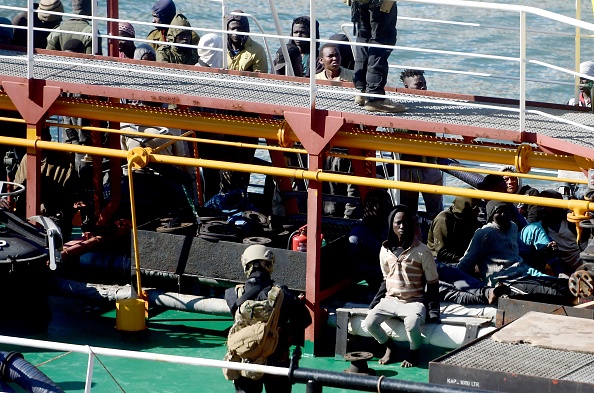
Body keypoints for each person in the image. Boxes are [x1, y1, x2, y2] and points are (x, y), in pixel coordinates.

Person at [224, 245, 311, 392]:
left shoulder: (232, 294)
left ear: (246, 266)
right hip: (276, 363)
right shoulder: (283, 296)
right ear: (269, 265)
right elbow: (305, 319)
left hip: (245, 361)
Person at [363, 205, 440, 367]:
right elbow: (385, 279)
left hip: (413, 301)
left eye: (406, 223)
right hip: (390, 300)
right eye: (398, 223)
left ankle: (414, 351)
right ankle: (390, 347)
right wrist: (376, 302)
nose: (402, 226)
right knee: (369, 323)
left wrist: (433, 311)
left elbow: (432, 283)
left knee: (412, 323)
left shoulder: (422, 251)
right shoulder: (384, 250)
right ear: (391, 225)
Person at [456, 200, 574, 304]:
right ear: (491, 215)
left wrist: (543, 252)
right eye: (499, 211)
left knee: (564, 285)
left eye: (507, 210)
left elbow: (516, 254)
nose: (504, 214)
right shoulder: (484, 234)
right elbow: (465, 264)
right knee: (554, 293)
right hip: (506, 283)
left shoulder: (513, 227)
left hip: (524, 273)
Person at [394, 70, 443, 219]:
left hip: (429, 167)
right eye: (419, 85)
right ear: (406, 87)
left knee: (437, 213)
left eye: (425, 85)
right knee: (407, 213)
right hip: (407, 168)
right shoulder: (398, 107)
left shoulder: (432, 106)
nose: (423, 88)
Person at [350, 0, 405, 113]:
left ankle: (362, 91)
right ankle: (375, 98)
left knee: (364, 38)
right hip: (380, 5)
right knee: (381, 42)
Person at [519, 189, 588, 276]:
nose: (541, 208)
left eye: (546, 204)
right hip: (565, 268)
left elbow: (586, 245)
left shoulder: (571, 221)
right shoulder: (540, 228)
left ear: (557, 206)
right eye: (539, 204)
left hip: (584, 265)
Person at [348, 189, 393, 293]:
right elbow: (356, 267)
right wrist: (385, 272)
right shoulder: (357, 235)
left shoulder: (386, 227)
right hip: (374, 282)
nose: (389, 210)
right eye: (385, 206)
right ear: (373, 207)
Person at [427, 196, 481, 264]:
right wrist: (464, 260)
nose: (479, 210)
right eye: (476, 208)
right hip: (440, 261)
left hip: (461, 256)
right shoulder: (443, 220)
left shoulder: (470, 219)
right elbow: (442, 253)